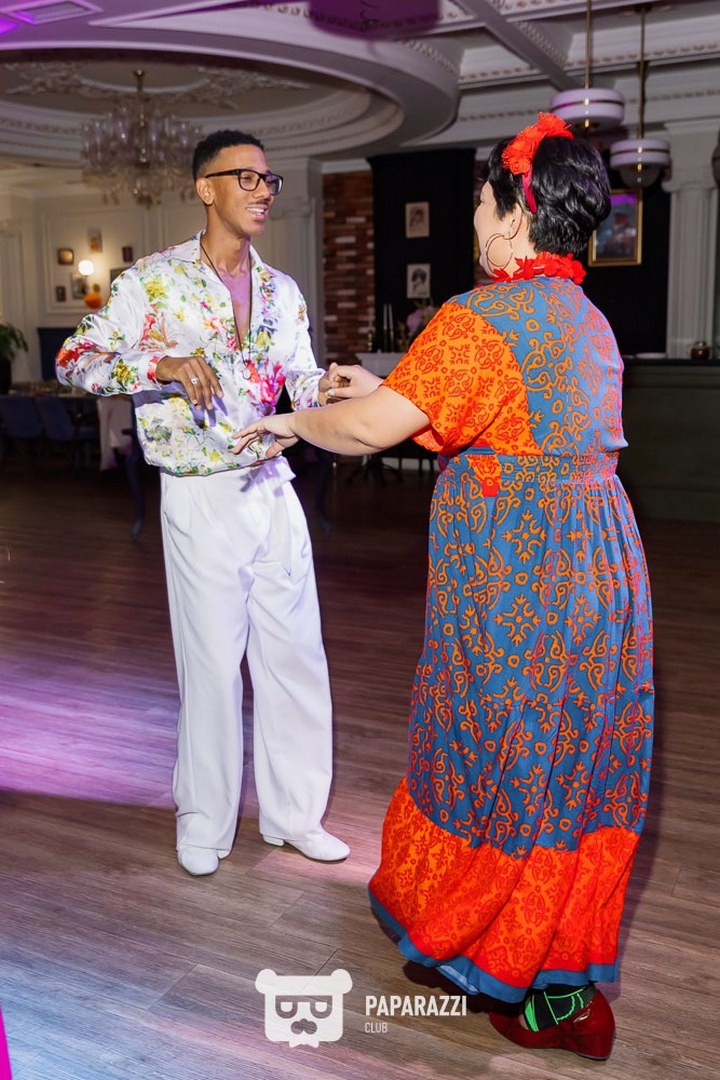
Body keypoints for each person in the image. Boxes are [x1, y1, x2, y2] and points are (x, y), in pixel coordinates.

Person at [236, 113, 654, 1060]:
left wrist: (296, 422)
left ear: (514, 216)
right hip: (601, 572)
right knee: (572, 763)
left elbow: (367, 432)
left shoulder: (483, 318)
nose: (473, 215)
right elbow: (502, 410)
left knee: (497, 753)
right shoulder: (585, 319)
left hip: (517, 577)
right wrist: (375, 386)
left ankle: (518, 974)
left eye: (481, 199)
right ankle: (560, 974)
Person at [56, 129, 349, 877]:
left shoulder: (283, 291)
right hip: (198, 492)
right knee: (213, 664)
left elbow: (297, 381)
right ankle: (204, 819)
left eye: (268, 179)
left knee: (295, 657)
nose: (262, 191)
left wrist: (326, 387)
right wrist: (159, 363)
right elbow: (73, 359)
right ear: (206, 188)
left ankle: (295, 816)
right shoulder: (151, 282)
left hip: (273, 486)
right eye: (245, 177)